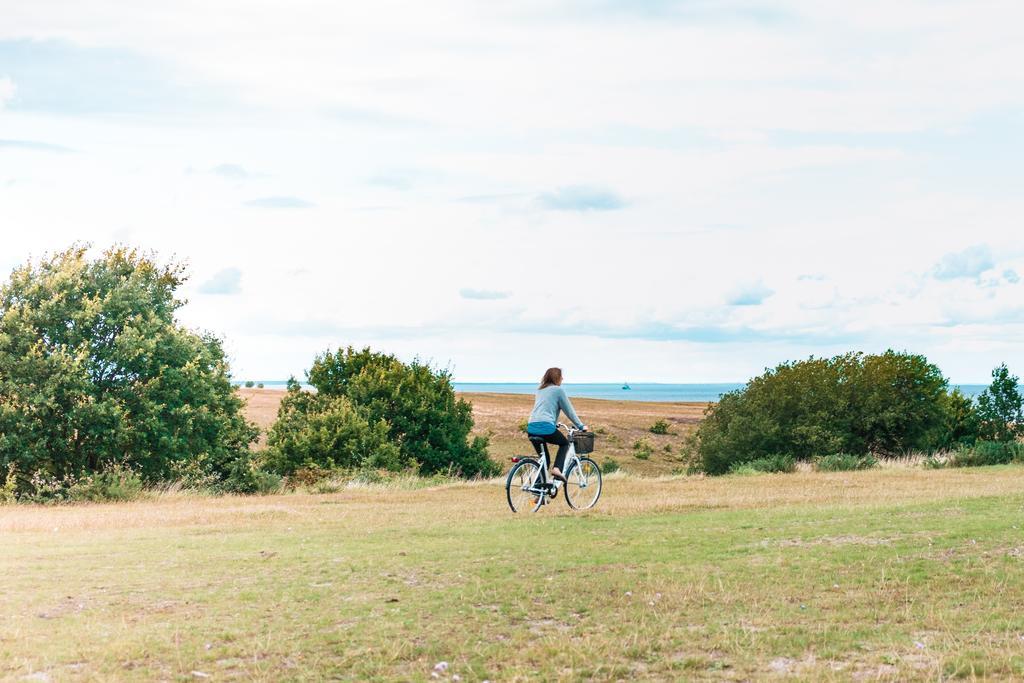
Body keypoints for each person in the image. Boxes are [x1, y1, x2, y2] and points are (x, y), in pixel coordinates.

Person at [526, 367, 587, 483]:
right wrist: (580, 426)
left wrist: (553, 424)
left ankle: (539, 491)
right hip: (546, 427)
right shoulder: (558, 390)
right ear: (556, 377)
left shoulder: (539, 390)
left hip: (531, 427)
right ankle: (557, 469)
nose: (562, 378)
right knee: (564, 444)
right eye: (561, 376)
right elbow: (569, 411)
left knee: (545, 461)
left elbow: (544, 410)